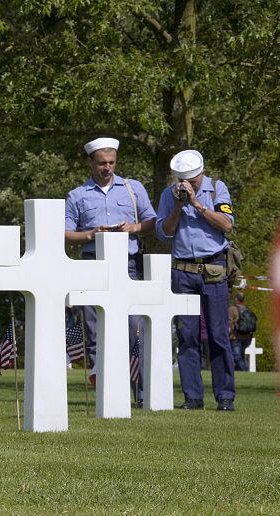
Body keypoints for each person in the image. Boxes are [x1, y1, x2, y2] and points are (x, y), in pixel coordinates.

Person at [64, 137, 156, 406]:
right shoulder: (77, 195)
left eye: (112, 162)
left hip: (127, 266)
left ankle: (140, 395)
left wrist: (135, 228)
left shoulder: (133, 188)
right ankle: (105, 392)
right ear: (91, 163)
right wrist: (92, 234)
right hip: (93, 267)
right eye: (102, 163)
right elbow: (66, 233)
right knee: (95, 332)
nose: (107, 168)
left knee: (134, 329)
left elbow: (152, 220)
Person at [155, 149, 236, 411]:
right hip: (183, 271)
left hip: (213, 266)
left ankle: (224, 396)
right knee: (187, 335)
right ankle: (192, 397)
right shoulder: (169, 195)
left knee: (218, 334)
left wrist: (197, 204)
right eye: (183, 180)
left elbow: (226, 225)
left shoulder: (216, 189)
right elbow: (164, 232)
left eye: (193, 181)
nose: (188, 185)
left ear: (201, 174)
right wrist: (178, 207)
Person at [228, 291, 254, 371]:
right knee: (241, 356)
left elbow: (229, 323)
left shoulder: (232, 309)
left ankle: (245, 371)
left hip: (236, 337)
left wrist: (228, 335)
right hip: (246, 337)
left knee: (236, 357)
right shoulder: (247, 309)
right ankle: (241, 373)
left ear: (236, 299)